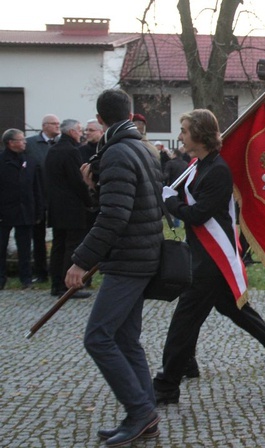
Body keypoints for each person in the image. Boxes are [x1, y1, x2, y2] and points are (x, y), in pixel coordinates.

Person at [153, 109, 265, 405]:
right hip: (205, 255)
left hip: (211, 261)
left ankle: (167, 385)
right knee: (239, 313)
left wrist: (171, 203)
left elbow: (198, 214)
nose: (181, 135)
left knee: (183, 323)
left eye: (184, 130)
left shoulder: (218, 170)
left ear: (199, 134)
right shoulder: (198, 165)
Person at [65, 89, 163, 446]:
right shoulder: (141, 148)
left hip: (129, 259)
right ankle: (145, 415)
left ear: (101, 118)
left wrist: (80, 261)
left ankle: (140, 411)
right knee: (125, 338)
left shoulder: (119, 152)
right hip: (139, 254)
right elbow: (123, 204)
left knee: (98, 337)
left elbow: (115, 216)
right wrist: (95, 185)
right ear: (128, 113)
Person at [45, 119, 93, 298]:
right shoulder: (72, 151)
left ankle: (55, 284)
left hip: (56, 207)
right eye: (80, 130)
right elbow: (77, 181)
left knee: (58, 245)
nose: (81, 134)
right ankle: (68, 287)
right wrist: (89, 201)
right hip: (72, 208)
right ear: (72, 132)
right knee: (71, 246)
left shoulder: (53, 150)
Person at [0, 129, 43, 290]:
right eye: (21, 140)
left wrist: (38, 210)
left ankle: (26, 278)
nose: (25, 142)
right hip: (4, 211)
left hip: (26, 210)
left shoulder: (30, 161)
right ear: (11, 143)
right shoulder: (1, 161)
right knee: (1, 247)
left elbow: (36, 188)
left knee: (25, 247)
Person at [25, 114, 60, 284]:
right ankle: (40, 272)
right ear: (45, 125)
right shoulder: (30, 144)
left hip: (56, 197)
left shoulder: (60, 143)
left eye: (59, 124)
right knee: (38, 236)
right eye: (54, 124)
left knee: (59, 237)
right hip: (38, 195)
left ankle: (56, 270)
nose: (57, 127)